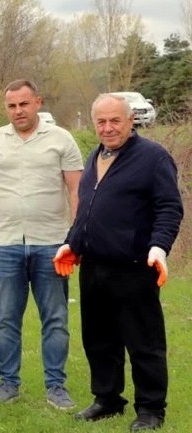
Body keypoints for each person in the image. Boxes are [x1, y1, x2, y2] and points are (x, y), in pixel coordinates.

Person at [56, 94, 183, 431]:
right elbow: (87, 208)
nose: (108, 128)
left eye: (115, 121)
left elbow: (170, 208)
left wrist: (159, 247)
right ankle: (107, 399)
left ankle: (151, 409)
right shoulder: (95, 155)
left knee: (144, 342)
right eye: (101, 121)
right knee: (99, 339)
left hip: (134, 267)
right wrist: (72, 243)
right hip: (94, 266)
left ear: (131, 121)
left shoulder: (153, 157)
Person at [0, 79, 83, 409]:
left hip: (52, 243)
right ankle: (8, 383)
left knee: (56, 318)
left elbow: (77, 189)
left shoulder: (61, 139)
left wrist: (75, 236)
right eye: (11, 106)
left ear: (37, 102)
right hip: (6, 244)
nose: (18, 111)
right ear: (6, 108)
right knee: (5, 318)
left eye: (24, 104)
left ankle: (56, 386)